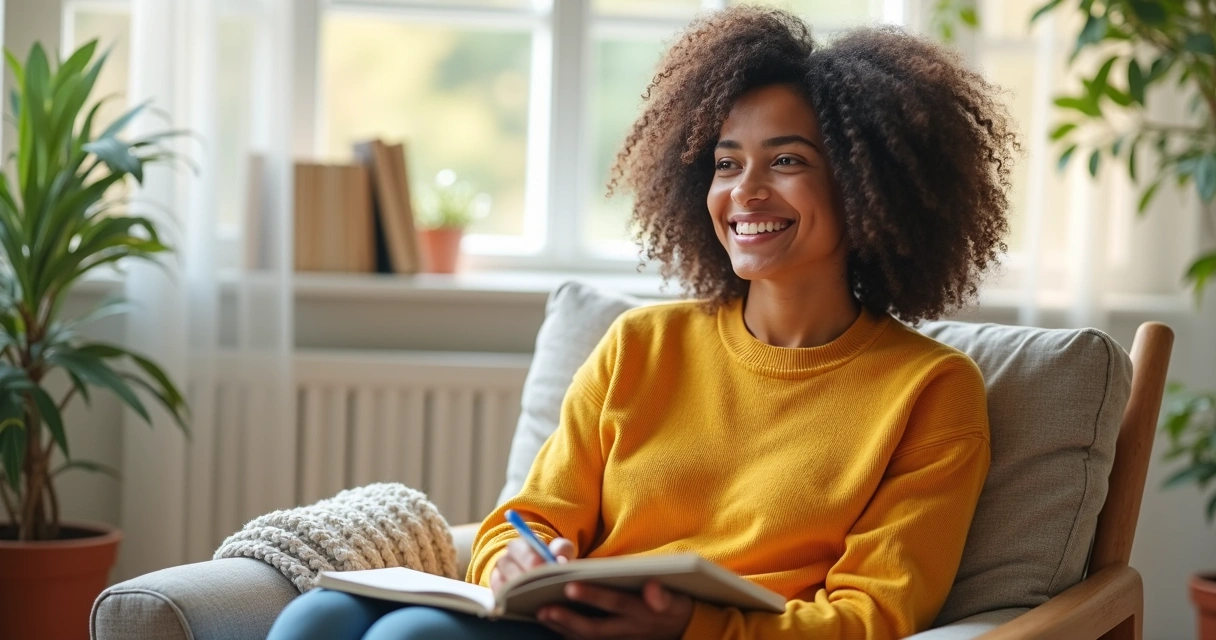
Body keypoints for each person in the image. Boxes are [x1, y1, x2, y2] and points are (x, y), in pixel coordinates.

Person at [267, 6, 1018, 639]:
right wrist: (513, 561)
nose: (744, 192)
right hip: (561, 620)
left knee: (410, 637)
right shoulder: (640, 345)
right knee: (316, 619)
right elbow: (524, 517)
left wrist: (689, 625)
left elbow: (870, 615)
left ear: (866, 185)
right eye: (726, 164)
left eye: (786, 161)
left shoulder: (931, 390)